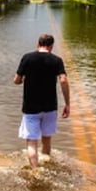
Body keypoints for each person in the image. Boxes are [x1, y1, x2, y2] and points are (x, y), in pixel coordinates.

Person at [13, 33, 70, 167]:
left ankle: (36, 171)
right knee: (46, 140)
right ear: (51, 46)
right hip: (50, 107)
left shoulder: (27, 58)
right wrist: (67, 104)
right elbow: (63, 80)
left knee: (32, 143)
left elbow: (16, 80)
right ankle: (46, 164)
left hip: (31, 108)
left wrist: (21, 80)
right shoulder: (57, 60)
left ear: (38, 44)